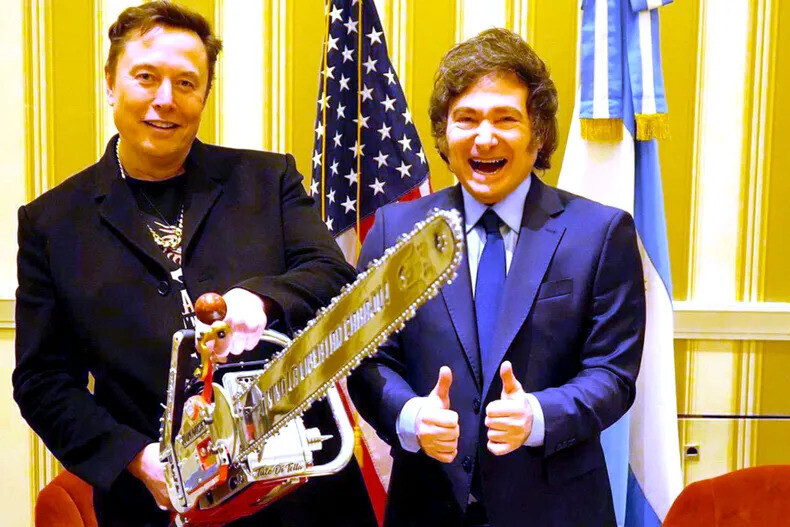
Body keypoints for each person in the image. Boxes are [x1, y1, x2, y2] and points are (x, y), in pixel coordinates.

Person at [12, 2, 376, 526]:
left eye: (186, 83)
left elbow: (333, 274)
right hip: (156, 507)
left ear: (204, 94)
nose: (166, 98)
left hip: (306, 501)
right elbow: (43, 381)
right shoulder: (51, 223)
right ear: (110, 82)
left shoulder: (268, 179)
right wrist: (136, 459)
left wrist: (260, 300)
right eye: (146, 77)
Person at [348, 28, 646, 527]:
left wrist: (539, 416)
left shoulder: (600, 233)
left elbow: (612, 374)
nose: (484, 137)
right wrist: (411, 415)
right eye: (466, 119)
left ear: (538, 134)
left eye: (506, 119)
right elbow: (368, 361)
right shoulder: (394, 232)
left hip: (557, 511)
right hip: (427, 507)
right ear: (445, 134)